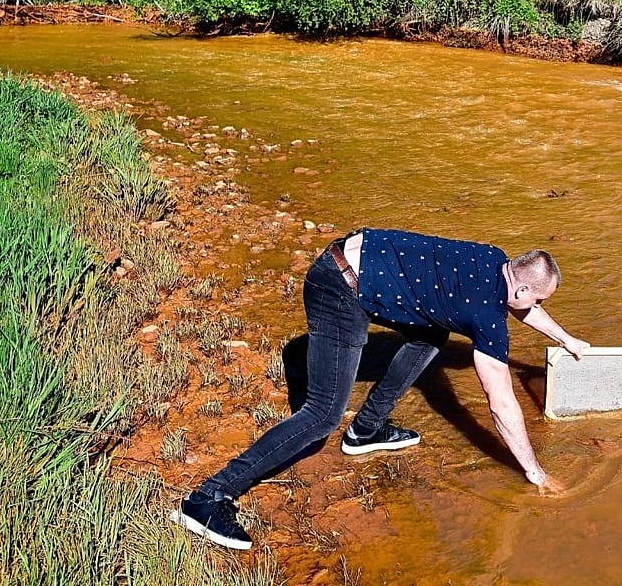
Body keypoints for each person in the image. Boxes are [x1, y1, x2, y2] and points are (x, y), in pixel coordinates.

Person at [171, 227, 589, 550]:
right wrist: (535, 473)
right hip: (338, 288)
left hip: (353, 257)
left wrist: (566, 340)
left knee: (432, 333)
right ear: (521, 288)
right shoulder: (486, 315)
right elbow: (501, 406)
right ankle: (209, 498)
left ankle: (366, 430)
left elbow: (520, 304)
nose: (538, 308)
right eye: (539, 301)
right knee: (322, 415)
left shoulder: (494, 260)